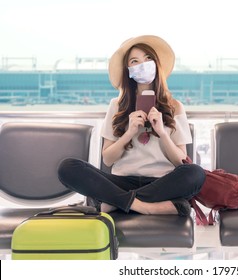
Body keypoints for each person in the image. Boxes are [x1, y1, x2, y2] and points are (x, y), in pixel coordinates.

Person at [58, 35, 206, 216]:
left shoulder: (174, 106)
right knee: (68, 167)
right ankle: (146, 207)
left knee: (195, 173)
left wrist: (162, 133)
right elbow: (108, 159)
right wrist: (129, 133)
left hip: (161, 182)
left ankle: (116, 202)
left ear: (156, 64)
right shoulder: (117, 105)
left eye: (148, 58)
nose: (142, 64)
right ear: (128, 70)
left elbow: (180, 162)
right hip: (121, 181)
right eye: (134, 61)